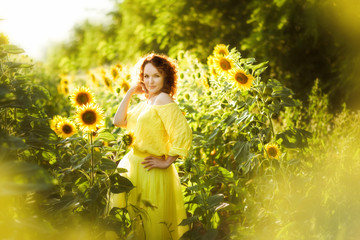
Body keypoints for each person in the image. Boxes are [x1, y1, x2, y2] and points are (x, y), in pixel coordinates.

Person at [112, 53, 192, 240]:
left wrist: (167, 162)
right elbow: (118, 121)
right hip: (134, 166)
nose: (150, 81)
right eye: (146, 76)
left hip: (152, 170)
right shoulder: (147, 102)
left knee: (152, 223)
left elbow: (182, 132)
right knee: (136, 221)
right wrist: (131, 92)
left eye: (156, 75)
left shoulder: (163, 99)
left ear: (166, 77)